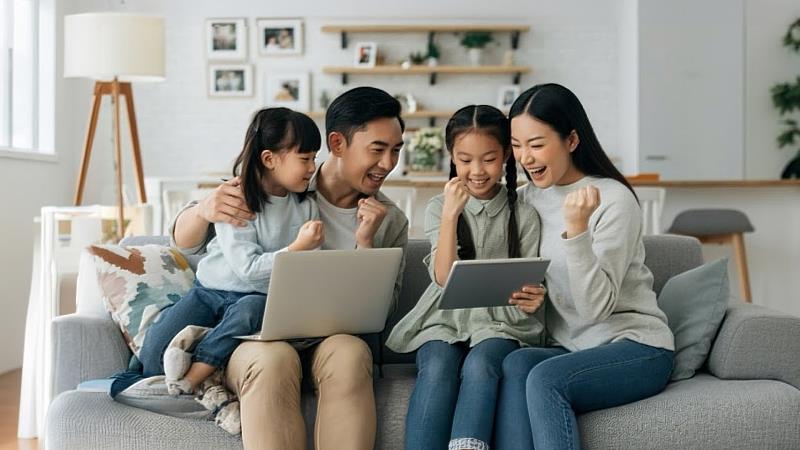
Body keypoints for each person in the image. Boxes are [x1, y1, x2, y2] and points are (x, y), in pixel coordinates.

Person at [170, 86, 408, 450]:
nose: (388, 164)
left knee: (350, 353)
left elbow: (384, 308)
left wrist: (366, 243)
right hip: (258, 337)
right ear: (338, 144)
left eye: (395, 151)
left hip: (327, 339)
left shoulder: (388, 219)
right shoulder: (285, 176)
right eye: (377, 149)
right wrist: (201, 209)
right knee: (273, 358)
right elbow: (185, 242)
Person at [494, 83, 675, 450]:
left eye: (537, 144)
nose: (525, 158)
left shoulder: (612, 200)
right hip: (574, 346)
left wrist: (576, 232)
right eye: (516, 146)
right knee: (515, 365)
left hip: (636, 346)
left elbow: (595, 309)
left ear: (572, 140)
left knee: (546, 379)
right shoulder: (525, 199)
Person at [386, 105, 545, 450]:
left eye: (488, 159)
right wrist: (450, 215)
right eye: (465, 160)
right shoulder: (437, 208)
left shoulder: (525, 214)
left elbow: (530, 281)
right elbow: (444, 277)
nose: (476, 171)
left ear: (506, 155)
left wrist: (534, 296)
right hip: (442, 318)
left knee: (482, 363)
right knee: (439, 366)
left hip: (502, 320)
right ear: (451, 158)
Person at [136, 107, 322, 395]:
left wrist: (305, 251)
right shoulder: (236, 197)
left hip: (256, 300)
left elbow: (296, 274)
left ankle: (198, 370)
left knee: (251, 309)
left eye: (314, 158)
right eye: (305, 158)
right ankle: (204, 337)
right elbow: (248, 271)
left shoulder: (306, 206)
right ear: (270, 159)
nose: (313, 168)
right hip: (210, 291)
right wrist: (297, 248)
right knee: (151, 358)